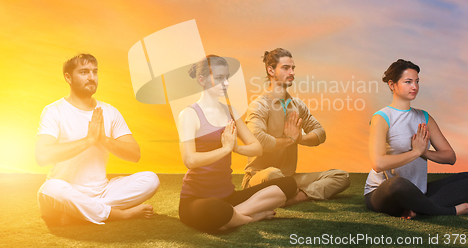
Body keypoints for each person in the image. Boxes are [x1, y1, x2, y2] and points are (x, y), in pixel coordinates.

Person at [36, 54, 160, 225]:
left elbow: (134, 154)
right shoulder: (54, 111)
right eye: (84, 72)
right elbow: (42, 156)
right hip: (65, 189)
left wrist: (103, 140)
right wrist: (88, 140)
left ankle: (79, 211)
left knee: (151, 179)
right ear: (68, 77)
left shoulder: (110, 111)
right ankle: (118, 214)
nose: (91, 77)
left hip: (102, 191)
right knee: (50, 189)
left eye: (95, 72)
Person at [178, 55, 297, 231]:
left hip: (228, 197)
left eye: (226, 78)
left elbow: (256, 147)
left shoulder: (230, 111)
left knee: (288, 185)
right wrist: (225, 149)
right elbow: (190, 160)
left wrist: (235, 147)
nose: (225, 83)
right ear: (202, 80)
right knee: (217, 210)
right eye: (218, 78)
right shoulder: (188, 115)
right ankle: (248, 217)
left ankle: (232, 216)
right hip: (196, 201)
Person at [365, 59, 468, 218]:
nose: (414, 87)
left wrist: (424, 153)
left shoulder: (424, 117)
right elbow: (378, 163)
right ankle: (450, 211)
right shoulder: (381, 118)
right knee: (398, 183)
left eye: (417, 81)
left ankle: (417, 211)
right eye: (408, 82)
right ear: (392, 85)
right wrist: (415, 152)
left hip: (418, 191)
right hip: (385, 192)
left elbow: (450, 157)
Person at [243, 48, 350, 205]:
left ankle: (297, 197)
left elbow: (320, 133)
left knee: (341, 176)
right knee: (273, 174)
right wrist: (289, 139)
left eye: (293, 68)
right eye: (286, 68)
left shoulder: (297, 105)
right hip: (260, 177)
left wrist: (300, 138)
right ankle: (286, 192)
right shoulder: (259, 105)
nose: (292, 72)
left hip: (289, 178)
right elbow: (258, 141)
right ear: (271, 70)